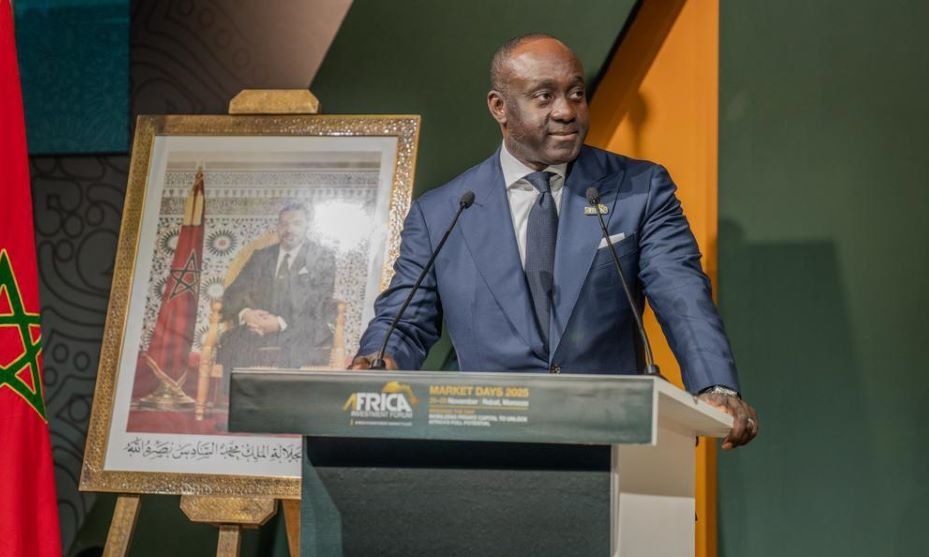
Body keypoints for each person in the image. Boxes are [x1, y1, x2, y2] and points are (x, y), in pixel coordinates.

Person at [351, 34, 758, 448]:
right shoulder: (442, 212)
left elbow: (682, 294)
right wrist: (377, 362)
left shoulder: (639, 189)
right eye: (544, 97)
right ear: (499, 107)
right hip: (488, 445)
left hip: (613, 439)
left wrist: (715, 385)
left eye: (576, 93)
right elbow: (405, 321)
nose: (566, 111)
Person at [219, 200, 337, 372]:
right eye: (284, 224)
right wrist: (247, 314)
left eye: (296, 223)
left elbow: (319, 302)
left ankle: (283, 390)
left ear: (307, 226)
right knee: (231, 342)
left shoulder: (322, 257)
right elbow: (232, 293)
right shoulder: (261, 257)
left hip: (302, 328)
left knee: (294, 347)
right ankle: (238, 390)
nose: (289, 230)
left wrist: (280, 323)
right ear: (277, 227)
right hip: (258, 328)